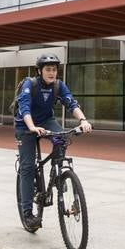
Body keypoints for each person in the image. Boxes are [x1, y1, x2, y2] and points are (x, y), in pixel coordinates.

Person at [15, 52, 92, 230]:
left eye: (54, 70)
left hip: (47, 121)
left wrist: (83, 121)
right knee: (27, 167)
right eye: (48, 69)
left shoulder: (58, 86)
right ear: (40, 71)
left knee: (63, 138)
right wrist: (32, 127)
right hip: (25, 125)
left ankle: (57, 175)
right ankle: (27, 213)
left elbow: (71, 103)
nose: (51, 73)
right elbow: (24, 106)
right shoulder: (30, 84)